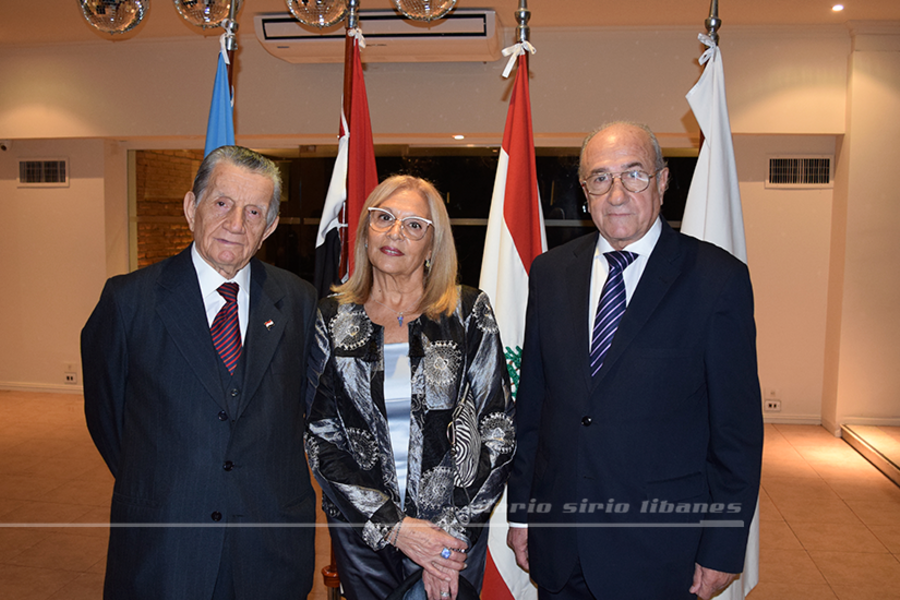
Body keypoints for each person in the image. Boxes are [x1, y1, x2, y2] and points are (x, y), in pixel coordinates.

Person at [506, 122, 763, 600]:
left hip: (661, 553)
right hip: (561, 548)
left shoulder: (717, 280)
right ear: (585, 192)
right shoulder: (551, 273)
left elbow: (737, 434)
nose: (617, 193)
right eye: (600, 178)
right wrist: (523, 515)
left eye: (634, 174)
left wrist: (723, 546)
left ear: (663, 182)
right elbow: (535, 409)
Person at [82, 146, 318, 600]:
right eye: (222, 203)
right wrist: (176, 480)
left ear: (269, 226)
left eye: (254, 211)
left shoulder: (299, 300)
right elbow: (107, 418)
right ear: (192, 207)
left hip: (269, 546)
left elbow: (307, 411)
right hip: (165, 543)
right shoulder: (128, 301)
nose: (236, 224)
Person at [305, 175, 515, 600]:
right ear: (366, 231)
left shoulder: (468, 312)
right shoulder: (331, 317)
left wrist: (444, 543)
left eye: (414, 224)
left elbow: (498, 430)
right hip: (364, 536)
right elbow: (319, 436)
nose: (395, 232)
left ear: (432, 246)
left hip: (452, 532)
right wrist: (394, 527)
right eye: (383, 218)